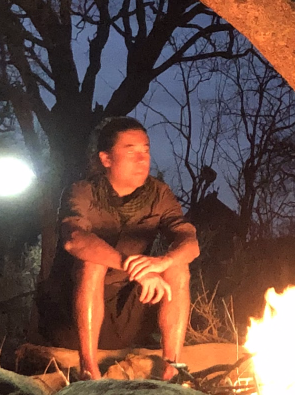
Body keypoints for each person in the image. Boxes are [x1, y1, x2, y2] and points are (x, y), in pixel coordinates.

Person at [58, 117, 199, 380]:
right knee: (93, 261)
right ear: (106, 159)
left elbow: (189, 243)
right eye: (130, 151)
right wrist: (133, 266)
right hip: (73, 314)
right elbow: (74, 238)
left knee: (178, 266)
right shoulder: (83, 191)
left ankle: (173, 369)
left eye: (145, 150)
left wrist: (162, 263)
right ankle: (89, 370)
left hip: (132, 308)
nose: (142, 159)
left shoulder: (158, 194)